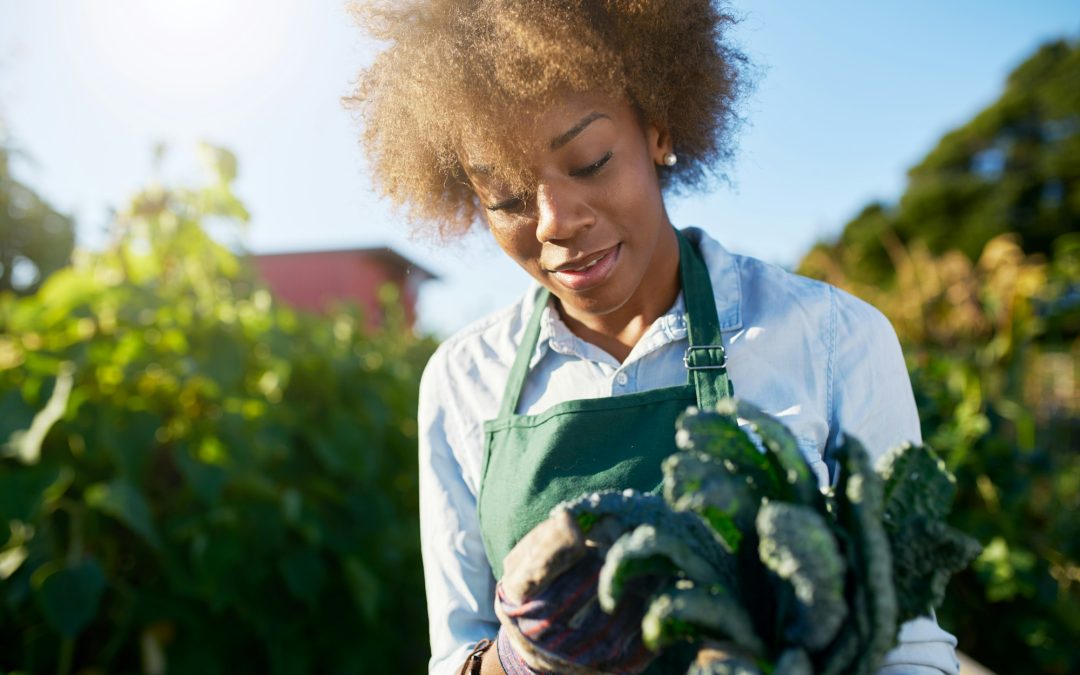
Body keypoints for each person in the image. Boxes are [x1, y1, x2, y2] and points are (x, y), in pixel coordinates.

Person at [349, 1, 962, 673]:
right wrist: (518, 654)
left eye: (589, 161)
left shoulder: (833, 340)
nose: (554, 222)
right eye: (507, 198)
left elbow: (908, 648)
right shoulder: (463, 379)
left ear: (659, 131)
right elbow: (455, 652)